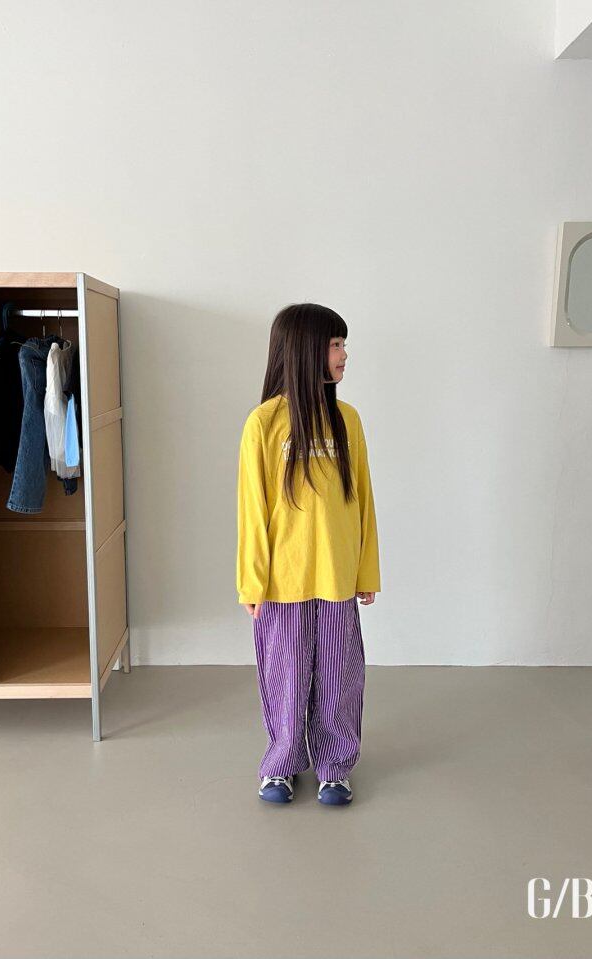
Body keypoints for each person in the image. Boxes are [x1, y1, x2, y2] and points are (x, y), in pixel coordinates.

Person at [236, 303, 381, 806]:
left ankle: (334, 767)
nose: (344, 354)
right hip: (283, 583)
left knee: (340, 678)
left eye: (343, 344)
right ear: (304, 350)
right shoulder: (264, 423)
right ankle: (281, 764)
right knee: (287, 677)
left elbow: (363, 501)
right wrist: (252, 582)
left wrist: (366, 571)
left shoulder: (347, 420)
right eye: (335, 344)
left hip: (337, 579)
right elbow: (252, 509)